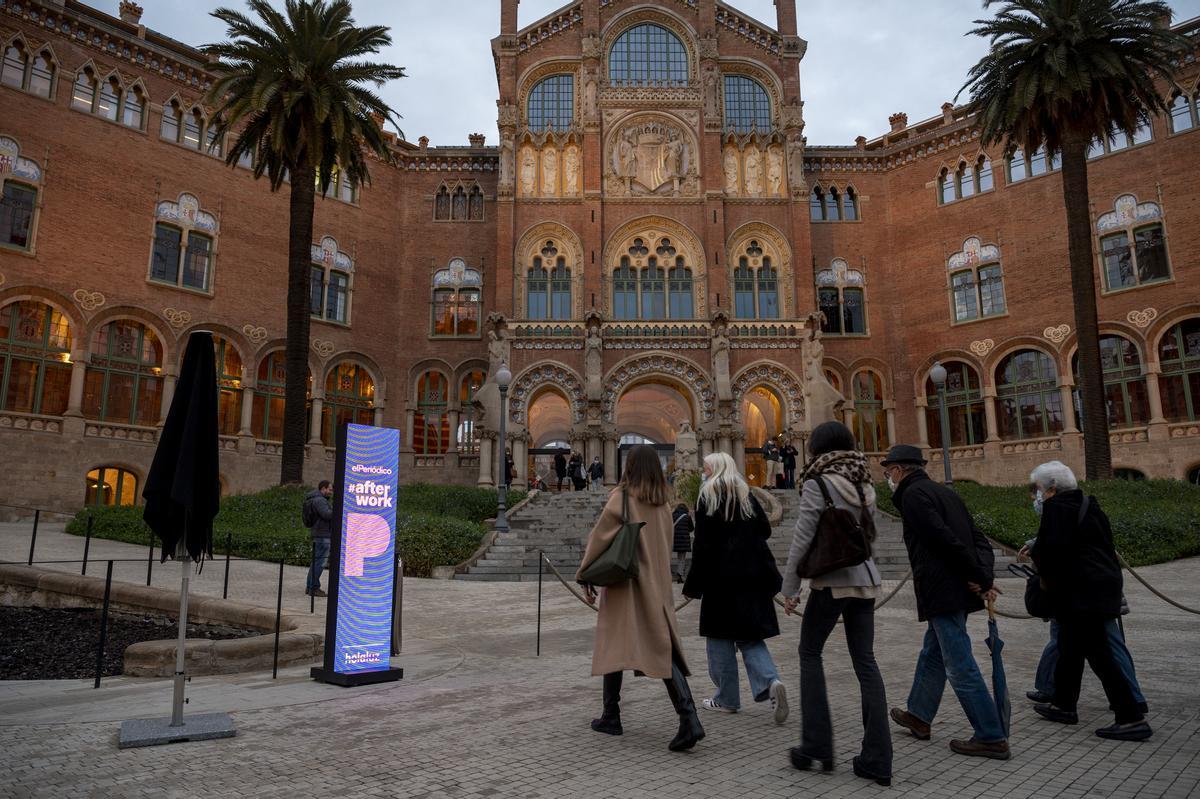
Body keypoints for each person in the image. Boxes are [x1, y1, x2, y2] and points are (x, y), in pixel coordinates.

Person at [882, 444, 1010, 760]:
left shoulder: (912, 496)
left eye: (888, 473)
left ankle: (990, 735)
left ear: (898, 470)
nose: (888, 479)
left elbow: (943, 540)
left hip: (943, 588)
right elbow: (980, 539)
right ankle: (920, 714)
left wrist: (981, 578)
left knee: (958, 662)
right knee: (934, 652)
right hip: (955, 587)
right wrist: (983, 574)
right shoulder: (945, 493)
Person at [781, 421, 891, 787]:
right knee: (866, 663)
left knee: (809, 653)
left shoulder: (819, 482)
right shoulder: (863, 482)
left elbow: (804, 534)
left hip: (831, 581)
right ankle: (878, 758)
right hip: (865, 581)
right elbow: (870, 536)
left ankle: (817, 747)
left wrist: (790, 587)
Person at [577, 444, 705, 752]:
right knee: (661, 646)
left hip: (626, 585)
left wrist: (584, 574)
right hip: (656, 586)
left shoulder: (622, 499)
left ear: (629, 467)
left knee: (615, 642)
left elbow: (599, 540)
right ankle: (683, 716)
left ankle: (622, 715)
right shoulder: (663, 505)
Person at [1027, 461, 1152, 741]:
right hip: (1101, 585)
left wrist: (1044, 581)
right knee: (1070, 647)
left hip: (1080, 592)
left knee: (1099, 654)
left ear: (1052, 489)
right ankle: (1063, 704)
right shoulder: (1087, 504)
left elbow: (1051, 551)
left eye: (1039, 489)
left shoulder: (1056, 508)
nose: (1038, 495)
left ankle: (1130, 717)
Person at [682, 452, 788, 725]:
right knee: (751, 637)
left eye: (706, 467)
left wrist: (693, 585)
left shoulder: (708, 495)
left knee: (719, 640)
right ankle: (771, 682)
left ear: (715, 468)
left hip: (721, 580)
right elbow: (765, 530)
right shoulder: (745, 494)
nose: (703, 471)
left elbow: (702, 545)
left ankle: (727, 698)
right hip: (752, 577)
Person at [304, 480, 333, 597]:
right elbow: (326, 515)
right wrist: (338, 508)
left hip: (319, 534)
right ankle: (314, 588)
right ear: (323, 488)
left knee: (316, 562)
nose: (331, 492)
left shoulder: (315, 499)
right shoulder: (320, 500)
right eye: (330, 490)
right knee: (320, 563)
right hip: (323, 535)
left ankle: (310, 586)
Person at [671, 503, 693, 583]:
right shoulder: (687, 517)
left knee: (669, 557)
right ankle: (679, 575)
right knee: (681, 558)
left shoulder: (673, 516)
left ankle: (669, 573)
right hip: (683, 541)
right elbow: (691, 529)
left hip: (673, 540)